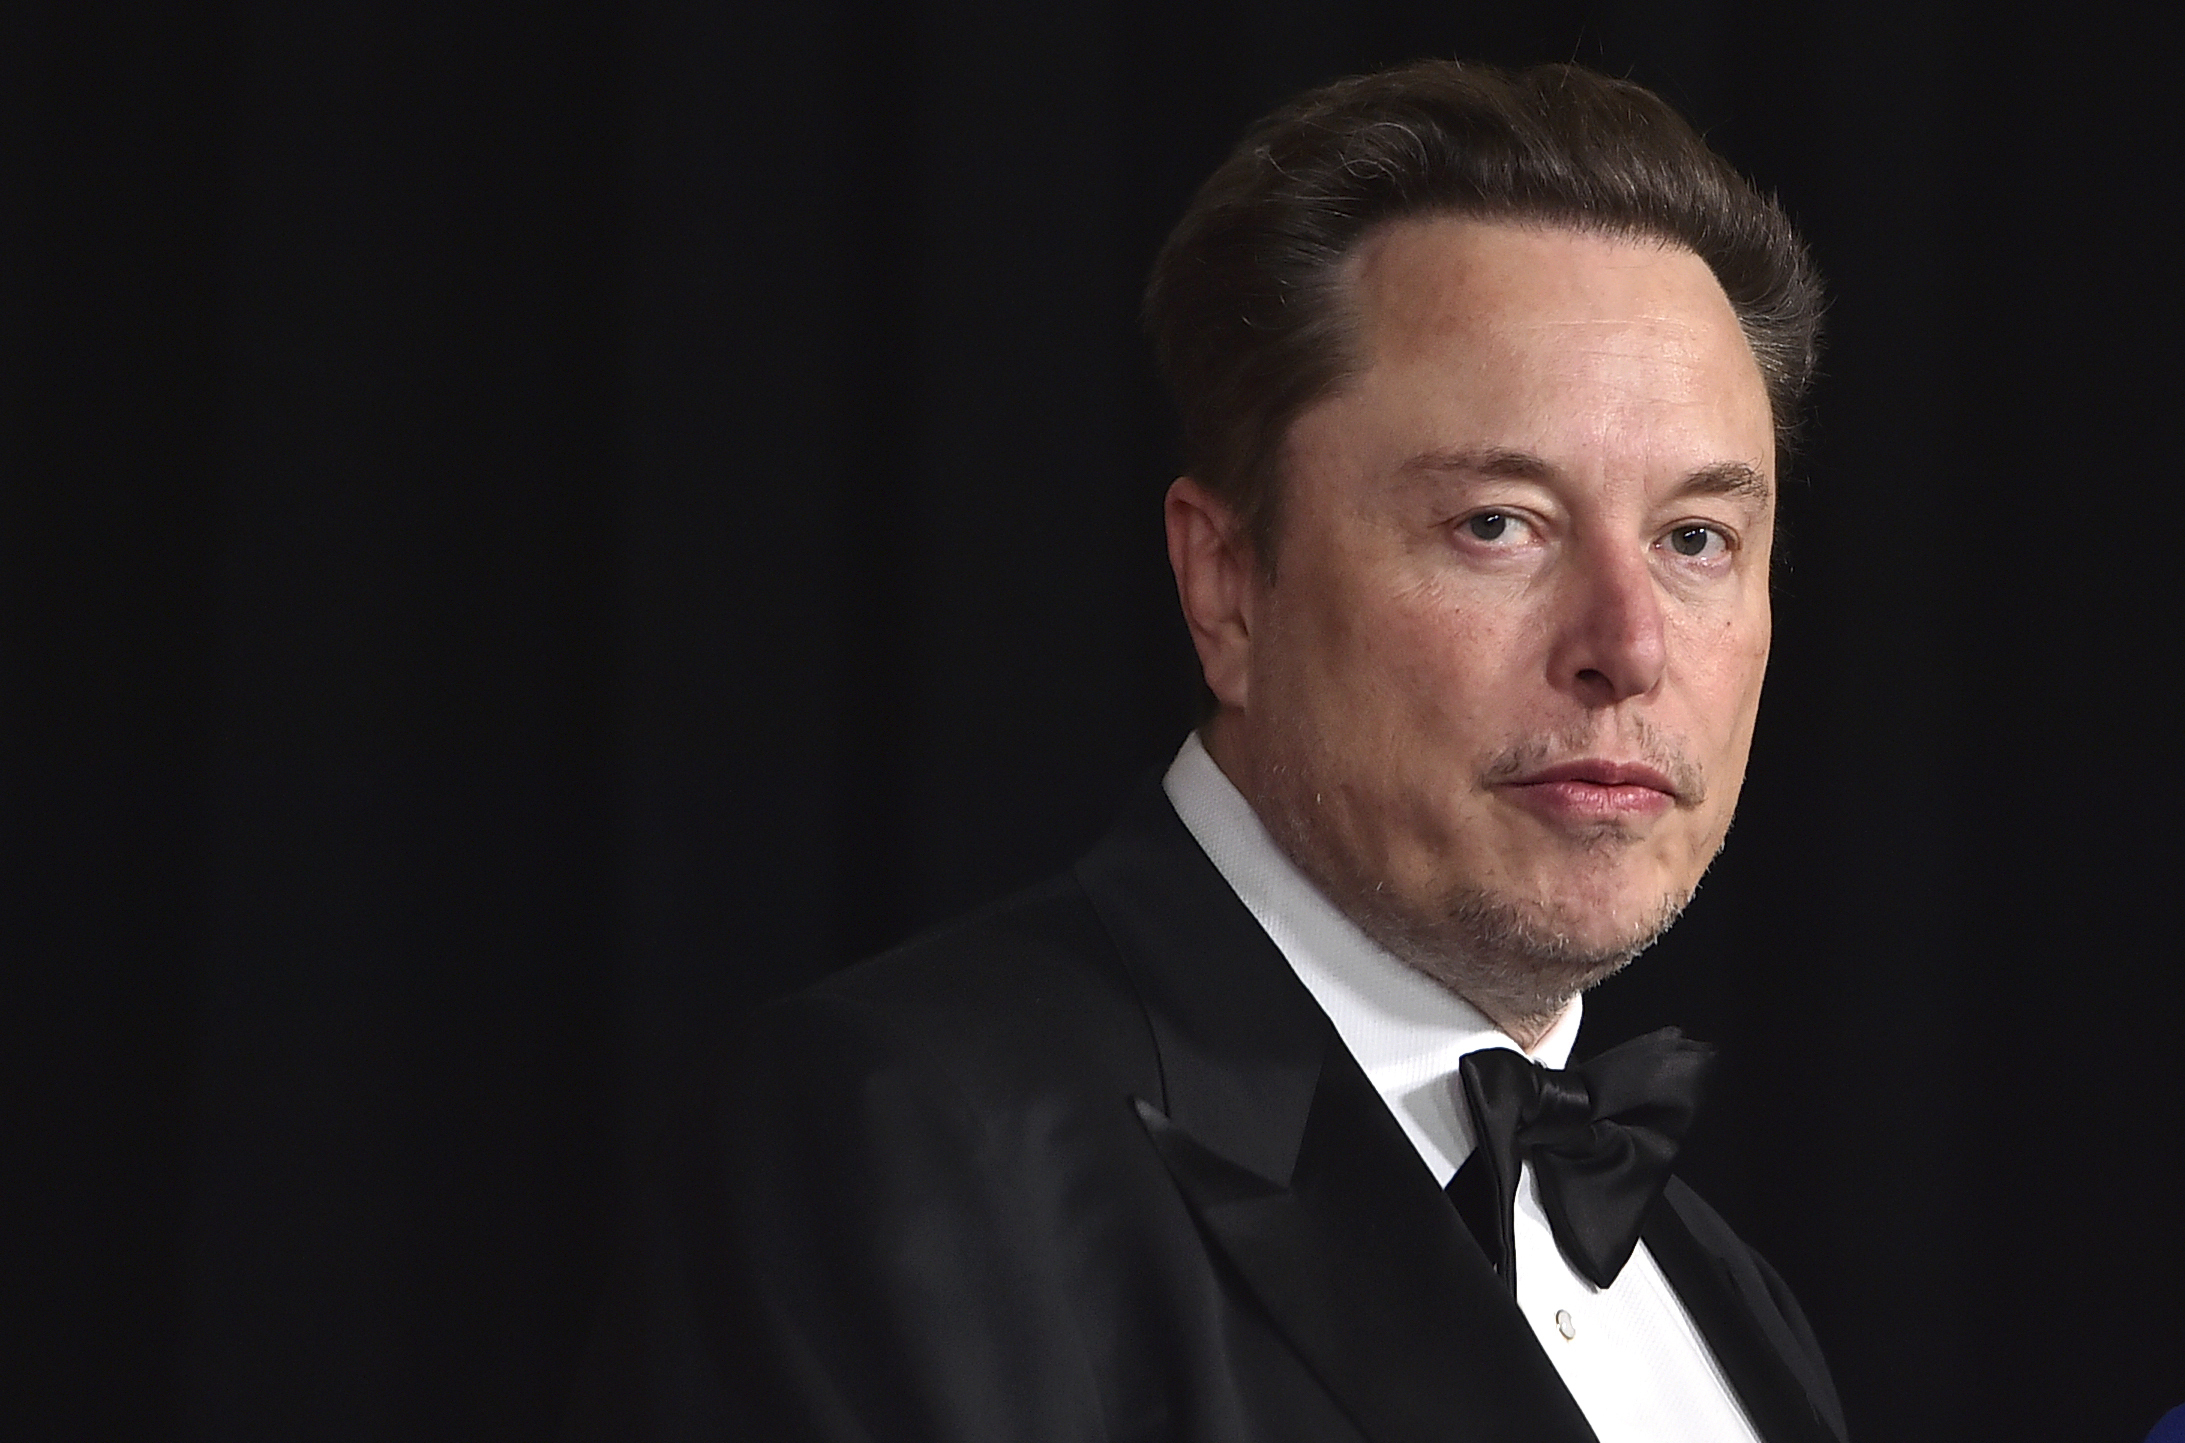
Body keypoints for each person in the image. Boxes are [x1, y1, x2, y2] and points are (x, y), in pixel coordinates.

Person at [576, 58, 1846, 1443]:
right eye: (1498, 522)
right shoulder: (895, 1148)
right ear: (1227, 583)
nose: (1629, 645)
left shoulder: (1726, 1298)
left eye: (1693, 541)